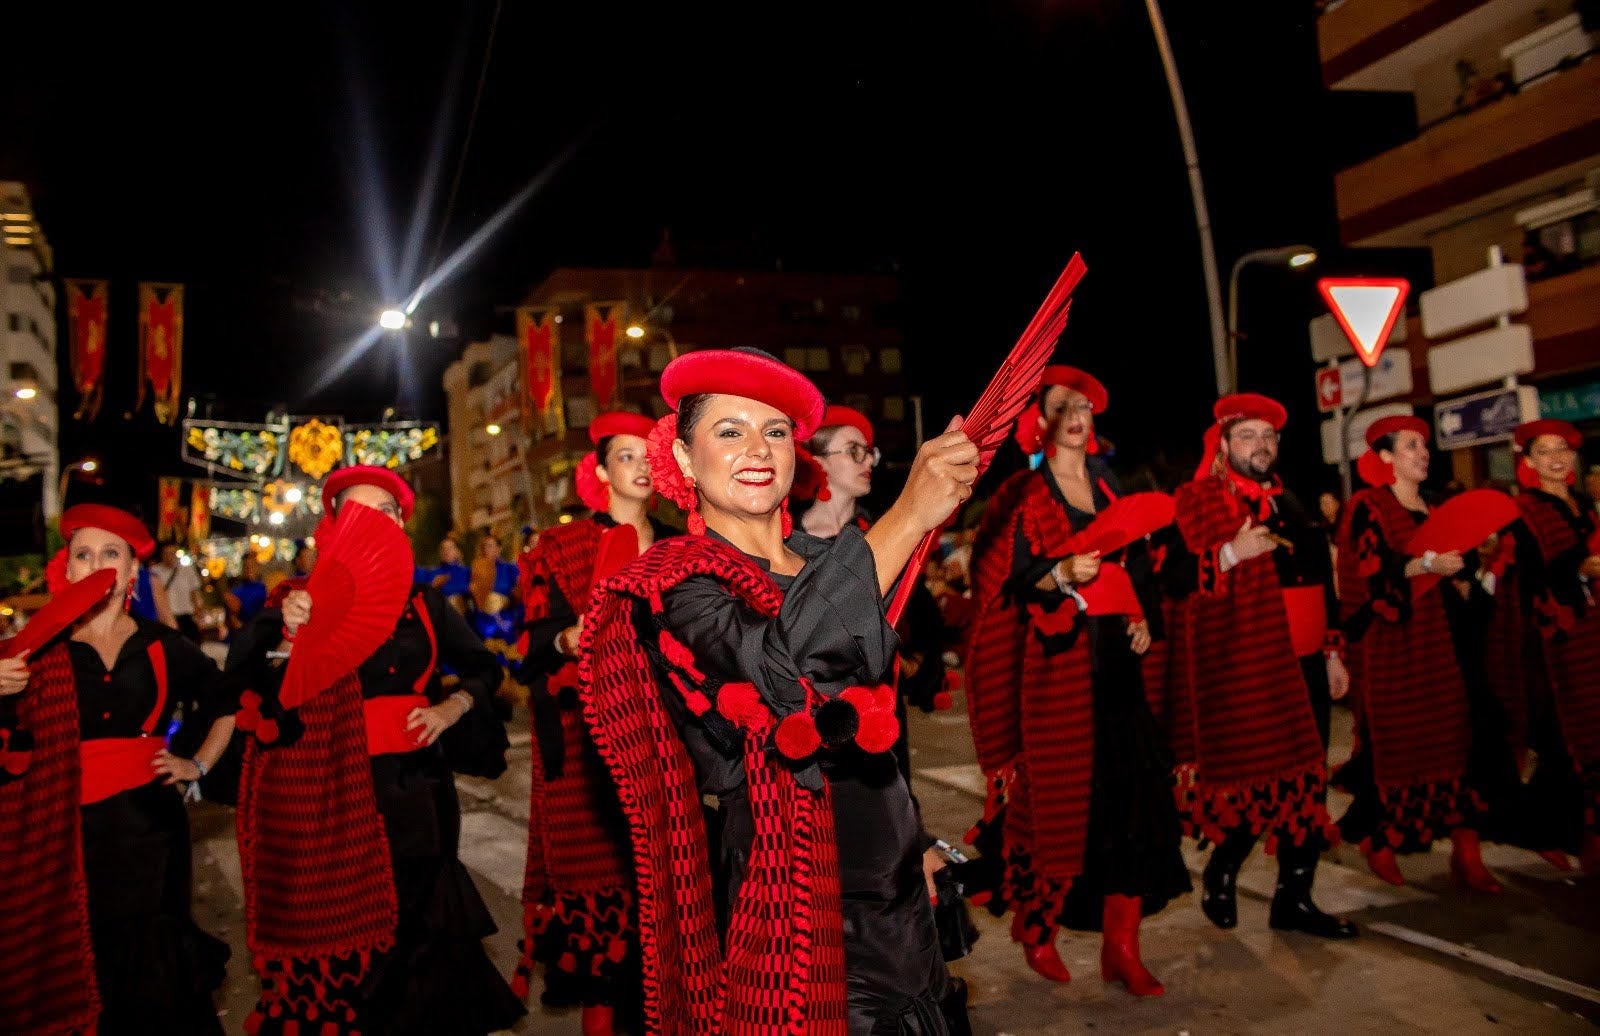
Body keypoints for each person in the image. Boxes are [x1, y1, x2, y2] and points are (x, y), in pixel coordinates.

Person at [582, 347, 974, 1033]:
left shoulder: (833, 562)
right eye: (729, 430)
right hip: (792, 902)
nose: (757, 448)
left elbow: (866, 726)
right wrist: (907, 515)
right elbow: (783, 669)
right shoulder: (677, 581)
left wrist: (913, 838)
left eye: (776, 430)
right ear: (680, 457)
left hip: (897, 894)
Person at [229, 465, 523, 1035]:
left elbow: (486, 669)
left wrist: (451, 708)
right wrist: (290, 639)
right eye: (359, 513)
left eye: (386, 512)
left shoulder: (426, 605)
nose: (375, 524)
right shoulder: (298, 603)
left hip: (422, 788)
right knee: (356, 948)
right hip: (339, 793)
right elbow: (254, 698)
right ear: (334, 528)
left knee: (427, 939)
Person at [963, 365, 1187, 995]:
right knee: (1058, 811)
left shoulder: (1111, 487)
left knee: (1134, 809)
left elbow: (1138, 563)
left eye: (1086, 405)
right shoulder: (1021, 497)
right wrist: (1059, 572)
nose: (1079, 413)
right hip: (1057, 673)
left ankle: (1123, 947)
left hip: (1120, 670)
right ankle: (1039, 931)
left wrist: (1143, 617)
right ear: (1041, 422)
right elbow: (1002, 587)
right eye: (1065, 404)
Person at [0, 503, 234, 1033]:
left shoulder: (162, 646)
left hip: (150, 832)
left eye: (112, 553)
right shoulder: (34, 652)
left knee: (154, 971)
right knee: (84, 965)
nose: (97, 563)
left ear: (132, 570)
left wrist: (197, 763)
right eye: (84, 554)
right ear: (68, 568)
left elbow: (228, 703)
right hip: (66, 839)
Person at [1161, 394, 1354, 940]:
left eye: (1269, 437)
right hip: (1244, 667)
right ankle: (1222, 872)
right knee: (1253, 782)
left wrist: (1334, 652)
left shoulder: (1290, 501)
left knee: (1307, 785)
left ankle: (1294, 899)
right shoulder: (1198, 500)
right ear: (1223, 445)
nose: (1261, 446)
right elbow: (1172, 577)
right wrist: (1227, 555)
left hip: (1307, 664)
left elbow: (1322, 582)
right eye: (1248, 436)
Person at [513, 411, 672, 1032]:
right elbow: (531, 649)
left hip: (663, 740)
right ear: (600, 471)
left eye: (649, 456)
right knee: (602, 927)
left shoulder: (679, 546)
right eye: (627, 456)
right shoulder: (563, 547)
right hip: (585, 751)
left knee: (662, 913)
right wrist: (566, 639)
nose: (641, 466)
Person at [1335, 416, 1501, 890]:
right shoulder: (1368, 506)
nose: (1422, 453)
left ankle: (1467, 854)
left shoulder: (1434, 507)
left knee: (1464, 744)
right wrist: (1423, 564)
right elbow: (1366, 573)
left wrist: (1468, 574)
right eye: (1410, 446)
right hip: (1398, 647)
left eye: (1424, 445)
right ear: (1385, 456)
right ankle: (1379, 840)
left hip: (1450, 644)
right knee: (1400, 748)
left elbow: (1461, 573)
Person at [1507, 420, 1600, 873]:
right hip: (1557, 637)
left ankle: (1562, 831)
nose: (1557, 459)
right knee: (1572, 736)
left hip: (1594, 627)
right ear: (1528, 462)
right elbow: (1528, 577)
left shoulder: (1585, 504)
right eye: (1545, 452)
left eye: (1563, 449)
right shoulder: (1524, 511)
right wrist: (1579, 568)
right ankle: (1570, 834)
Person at [150, 542, 203, 641]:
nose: (170, 556)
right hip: (167, 618)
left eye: (172, 553)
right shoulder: (155, 571)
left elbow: (194, 592)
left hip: (187, 617)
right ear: (161, 554)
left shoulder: (187, 569)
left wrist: (198, 613)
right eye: (166, 553)